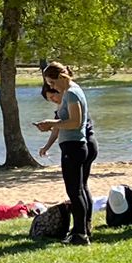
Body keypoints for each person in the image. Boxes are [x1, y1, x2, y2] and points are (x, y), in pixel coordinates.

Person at [35, 61, 94, 244]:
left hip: (74, 146)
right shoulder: (71, 92)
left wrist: (51, 123)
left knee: (74, 192)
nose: (52, 87)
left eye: (52, 83)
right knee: (77, 190)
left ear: (61, 77)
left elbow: (75, 122)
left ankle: (80, 233)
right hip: (72, 145)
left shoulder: (72, 93)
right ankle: (81, 231)